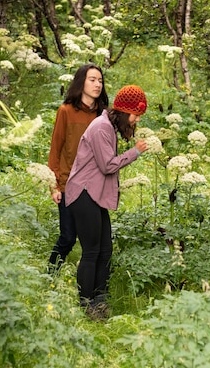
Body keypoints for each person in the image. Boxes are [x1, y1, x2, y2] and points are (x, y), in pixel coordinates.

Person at [65, 85, 149, 320]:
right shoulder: (102, 127)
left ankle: (100, 299)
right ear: (124, 111)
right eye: (135, 115)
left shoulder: (109, 127)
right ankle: (86, 304)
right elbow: (108, 165)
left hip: (94, 193)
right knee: (92, 251)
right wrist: (135, 152)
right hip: (83, 193)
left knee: (105, 249)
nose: (136, 120)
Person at [47, 64, 109, 272]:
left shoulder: (102, 116)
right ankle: (50, 275)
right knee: (67, 236)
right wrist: (53, 185)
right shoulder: (65, 111)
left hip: (94, 187)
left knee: (93, 242)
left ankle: (92, 285)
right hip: (68, 184)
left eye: (100, 80)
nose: (97, 84)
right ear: (81, 82)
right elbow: (56, 149)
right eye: (92, 79)